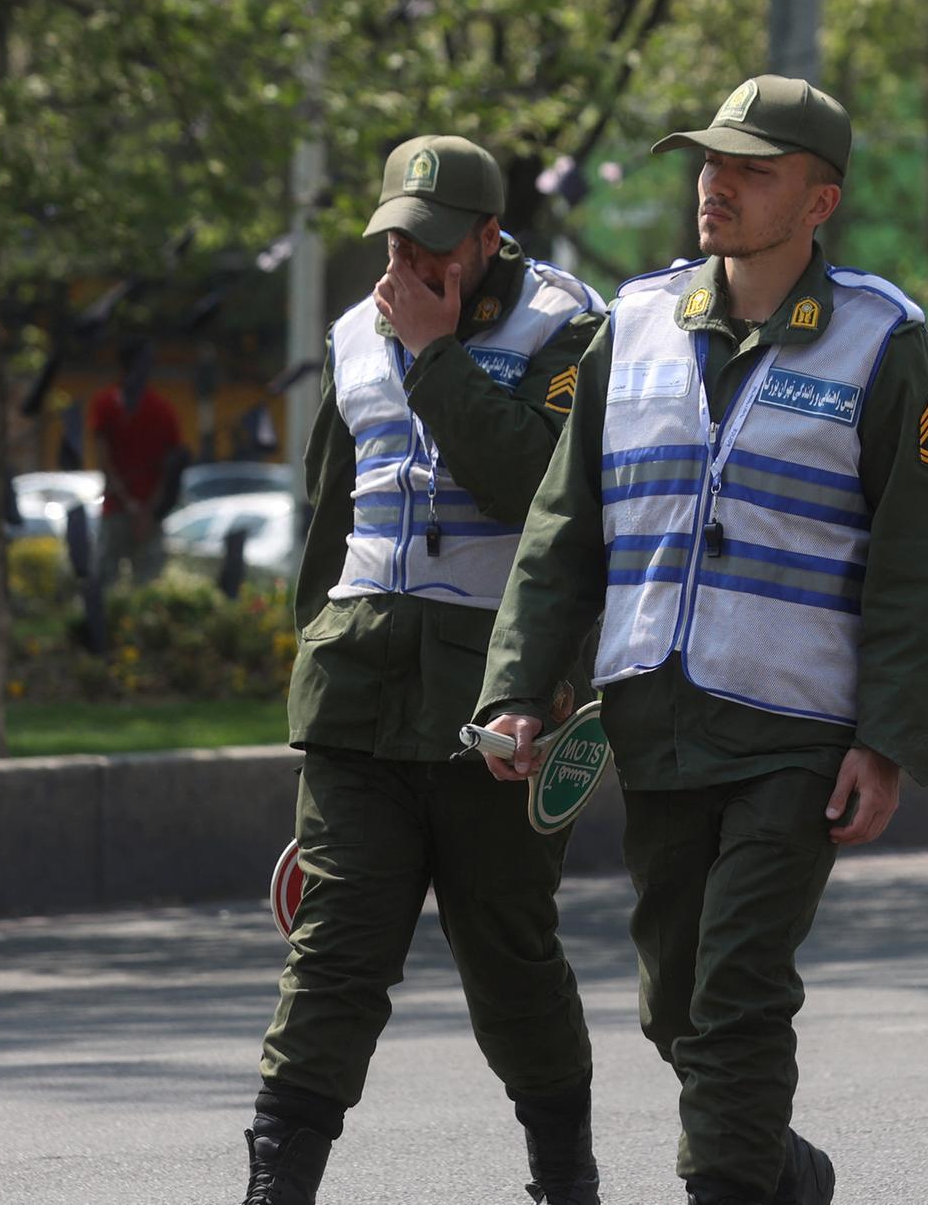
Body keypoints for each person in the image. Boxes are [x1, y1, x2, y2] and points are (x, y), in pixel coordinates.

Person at [473, 75, 928, 1205]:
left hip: (796, 728)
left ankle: (731, 1183)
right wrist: (518, 688)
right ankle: (779, 1168)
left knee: (736, 992)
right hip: (657, 720)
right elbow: (564, 527)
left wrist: (886, 738)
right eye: (710, 163)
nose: (716, 185)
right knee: (677, 1005)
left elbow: (912, 558)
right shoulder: (633, 325)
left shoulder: (882, 340)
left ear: (820, 199)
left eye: (752, 169)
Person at [240, 135, 607, 1205]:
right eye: (397, 238)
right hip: (357, 700)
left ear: (491, 239)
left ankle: (563, 1179)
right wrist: (313, 660)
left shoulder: (568, 328)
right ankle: (276, 1189)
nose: (410, 261)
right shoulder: (355, 333)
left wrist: (440, 355)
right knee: (333, 958)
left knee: (509, 959)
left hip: (495, 707)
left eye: (437, 244)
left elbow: (541, 492)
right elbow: (330, 521)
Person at [87, 338, 184, 584]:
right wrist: (141, 508)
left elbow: (169, 465)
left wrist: (142, 508)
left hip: (133, 510)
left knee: (127, 582)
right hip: (125, 509)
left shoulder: (159, 408)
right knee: (135, 582)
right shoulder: (108, 404)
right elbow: (104, 459)